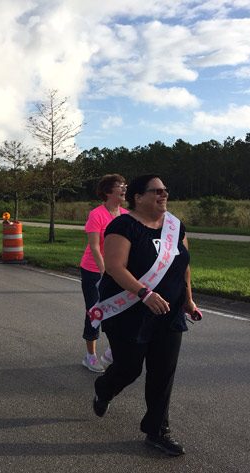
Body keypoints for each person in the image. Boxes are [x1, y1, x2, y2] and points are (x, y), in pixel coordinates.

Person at [90, 174, 199, 457]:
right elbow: (115, 266)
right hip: (129, 311)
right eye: (157, 191)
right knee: (129, 368)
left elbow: (182, 265)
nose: (164, 195)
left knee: (163, 372)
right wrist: (145, 294)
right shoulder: (123, 225)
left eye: (166, 190)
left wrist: (187, 299)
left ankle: (156, 430)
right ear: (138, 197)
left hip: (168, 311)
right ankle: (104, 388)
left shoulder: (175, 226)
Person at [79, 174, 128, 372]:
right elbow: (94, 246)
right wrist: (104, 272)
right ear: (108, 192)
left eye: (125, 184)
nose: (124, 188)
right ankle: (90, 355)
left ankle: (111, 352)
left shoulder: (125, 215)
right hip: (94, 271)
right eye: (119, 185)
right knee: (95, 312)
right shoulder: (97, 214)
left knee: (119, 311)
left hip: (118, 271)